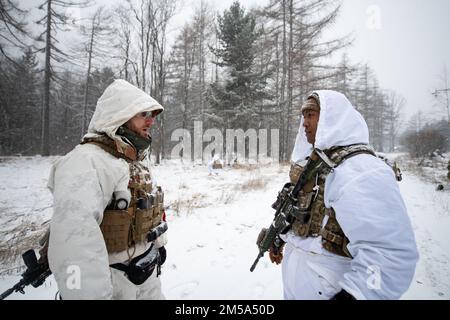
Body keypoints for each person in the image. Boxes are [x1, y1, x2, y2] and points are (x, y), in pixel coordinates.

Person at [269, 90, 418, 300]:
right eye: (303, 116)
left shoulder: (360, 169)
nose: (304, 123)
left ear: (332, 117)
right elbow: (307, 217)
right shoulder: (316, 165)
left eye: (311, 115)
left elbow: (390, 256)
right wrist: (281, 237)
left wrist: (355, 295)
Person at [47, 79, 168, 300]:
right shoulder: (86, 162)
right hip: (113, 283)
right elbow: (74, 243)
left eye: (152, 115)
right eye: (143, 114)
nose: (150, 121)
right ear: (120, 115)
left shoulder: (133, 160)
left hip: (145, 274)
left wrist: (157, 246)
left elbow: (147, 211)